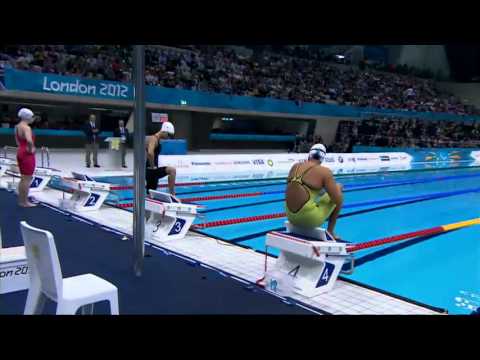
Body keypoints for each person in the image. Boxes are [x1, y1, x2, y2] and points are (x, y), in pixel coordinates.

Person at [285, 144, 344, 239]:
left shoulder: (295, 166)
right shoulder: (325, 172)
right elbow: (336, 200)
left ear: (309, 155)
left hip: (290, 217)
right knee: (338, 190)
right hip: (309, 219)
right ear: (322, 158)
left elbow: (292, 190)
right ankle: (330, 231)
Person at [145, 122, 176, 196]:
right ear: (164, 131)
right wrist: (152, 166)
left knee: (151, 193)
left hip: (152, 170)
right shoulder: (153, 138)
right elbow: (150, 152)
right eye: (168, 135)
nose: (168, 137)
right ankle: (172, 194)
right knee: (172, 170)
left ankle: (172, 193)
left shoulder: (156, 139)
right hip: (151, 170)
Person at [15, 108, 37, 207]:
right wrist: (31, 148)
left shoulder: (17, 126)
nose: (33, 119)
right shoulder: (26, 127)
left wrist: (23, 148)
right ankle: (25, 202)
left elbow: (18, 141)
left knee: (23, 178)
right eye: (32, 117)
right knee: (27, 178)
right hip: (27, 154)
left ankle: (21, 201)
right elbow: (29, 140)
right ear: (28, 117)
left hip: (20, 151)